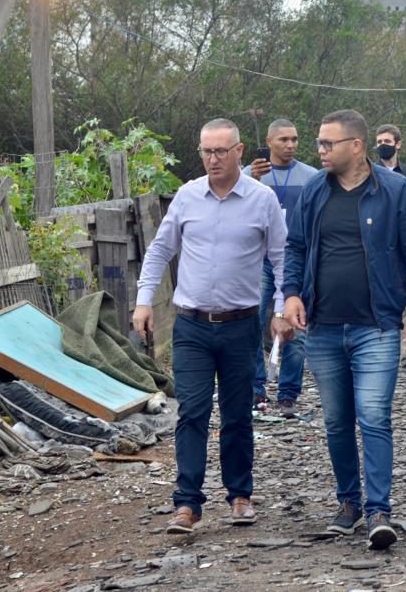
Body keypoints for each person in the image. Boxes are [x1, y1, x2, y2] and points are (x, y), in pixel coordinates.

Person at [282, 109, 406, 550]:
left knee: (373, 417)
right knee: (336, 421)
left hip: (377, 326)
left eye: (329, 143)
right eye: (320, 143)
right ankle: (348, 502)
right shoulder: (315, 190)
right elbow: (295, 247)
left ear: (357, 146)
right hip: (324, 327)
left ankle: (378, 511)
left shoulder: (394, 190)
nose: (320, 150)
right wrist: (291, 293)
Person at [134, 118, 292, 534]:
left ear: (239, 151)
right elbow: (158, 251)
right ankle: (187, 504)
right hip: (192, 327)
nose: (213, 158)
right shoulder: (187, 197)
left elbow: (281, 258)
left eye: (221, 151)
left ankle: (240, 495)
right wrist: (143, 301)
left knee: (238, 414)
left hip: (241, 326)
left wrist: (279, 309)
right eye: (206, 151)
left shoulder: (262, 200)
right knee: (192, 413)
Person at [241, 118, 318, 419]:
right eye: (284, 139)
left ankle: (288, 394)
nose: (290, 145)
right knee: (253, 324)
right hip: (259, 260)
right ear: (269, 142)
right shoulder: (248, 175)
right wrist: (253, 180)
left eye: (295, 139)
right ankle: (257, 388)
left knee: (296, 327)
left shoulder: (311, 177)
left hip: (297, 260)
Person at [374, 123, 406, 211]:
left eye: (387, 141)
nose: (382, 145)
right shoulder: (369, 174)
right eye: (379, 142)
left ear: (398, 144)